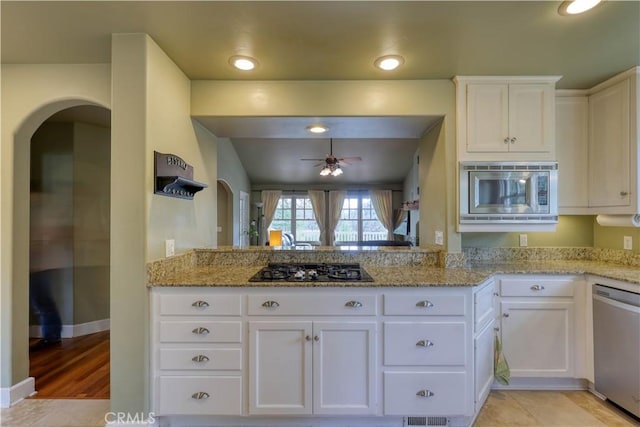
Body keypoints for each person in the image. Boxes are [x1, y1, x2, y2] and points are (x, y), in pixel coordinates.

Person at [29, 190, 72, 350]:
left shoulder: (44, 213)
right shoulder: (40, 212)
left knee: (42, 301)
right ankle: (52, 335)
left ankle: (52, 336)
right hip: (38, 264)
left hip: (41, 264)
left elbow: (53, 235)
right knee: (41, 301)